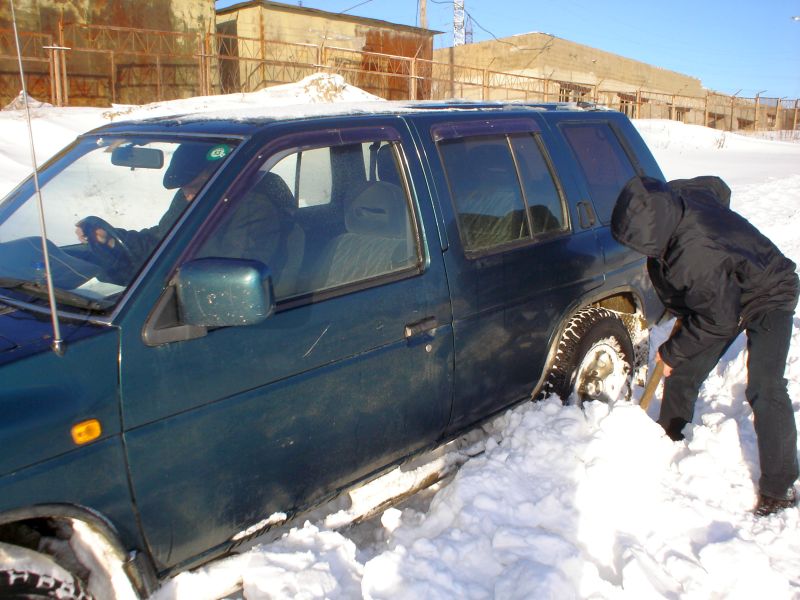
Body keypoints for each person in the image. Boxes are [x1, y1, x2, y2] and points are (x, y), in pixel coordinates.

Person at [611, 175, 799, 517]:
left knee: (765, 387)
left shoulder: (693, 257)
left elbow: (719, 321)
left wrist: (671, 351)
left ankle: (780, 487)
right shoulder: (678, 196)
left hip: (769, 291)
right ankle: (669, 440)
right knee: (682, 373)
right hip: (723, 289)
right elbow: (717, 186)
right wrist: (728, 246)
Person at [75, 142, 230, 283]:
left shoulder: (248, 213)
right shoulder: (191, 199)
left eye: (195, 188)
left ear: (225, 181)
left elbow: (226, 276)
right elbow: (162, 240)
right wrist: (112, 239)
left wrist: (181, 278)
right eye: (184, 190)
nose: (188, 197)